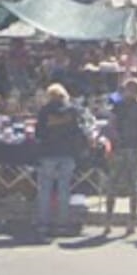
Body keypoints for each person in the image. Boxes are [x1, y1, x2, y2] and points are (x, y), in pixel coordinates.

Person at [34, 83, 88, 237]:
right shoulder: (72, 111)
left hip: (48, 153)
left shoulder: (45, 111)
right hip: (67, 154)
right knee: (64, 190)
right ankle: (62, 223)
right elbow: (78, 132)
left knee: (45, 189)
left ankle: (43, 223)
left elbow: (38, 133)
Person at [104, 78, 137, 235]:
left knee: (123, 184)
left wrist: (116, 137)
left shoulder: (127, 108)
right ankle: (115, 221)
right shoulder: (128, 108)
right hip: (125, 148)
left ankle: (126, 221)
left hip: (126, 148)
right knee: (122, 184)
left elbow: (112, 124)